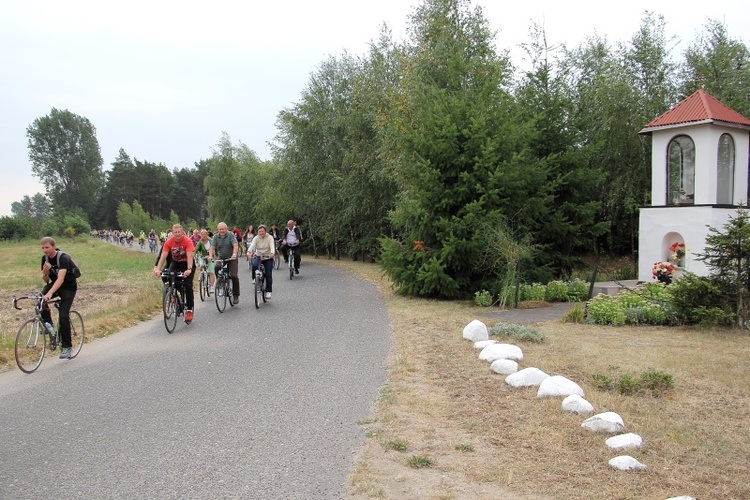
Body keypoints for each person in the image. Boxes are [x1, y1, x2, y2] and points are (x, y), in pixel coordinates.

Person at [39, 237, 78, 359]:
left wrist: (50, 293)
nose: (45, 250)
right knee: (40, 299)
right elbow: (46, 280)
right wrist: (45, 272)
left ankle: (67, 346)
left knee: (63, 316)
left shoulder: (63, 258)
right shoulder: (44, 259)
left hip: (68, 287)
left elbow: (60, 279)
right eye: (42, 248)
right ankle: (48, 325)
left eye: (47, 247)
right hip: (55, 285)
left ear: (54, 246)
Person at [153, 224, 195, 323]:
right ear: (172, 233)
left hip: (187, 263)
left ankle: (189, 309)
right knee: (167, 274)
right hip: (175, 262)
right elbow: (163, 256)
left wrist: (189, 269)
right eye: (175, 232)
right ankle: (173, 292)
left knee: (188, 285)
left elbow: (190, 256)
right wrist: (158, 269)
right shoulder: (169, 242)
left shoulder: (187, 241)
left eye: (179, 232)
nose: (177, 234)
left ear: (182, 232)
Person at [209, 222, 240, 304]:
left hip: (231, 257)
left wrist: (234, 254)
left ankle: (236, 295)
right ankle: (220, 282)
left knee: (234, 276)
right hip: (222, 257)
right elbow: (212, 247)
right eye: (220, 229)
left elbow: (235, 245)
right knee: (216, 267)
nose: (221, 231)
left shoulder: (230, 235)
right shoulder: (216, 236)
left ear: (226, 229)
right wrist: (210, 256)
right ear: (218, 230)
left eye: (223, 229)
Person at [248, 224, 275, 300]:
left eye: (262, 231)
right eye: (259, 232)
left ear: (265, 231)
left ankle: (268, 291)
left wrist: (272, 253)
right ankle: (254, 278)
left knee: (268, 274)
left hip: (268, 256)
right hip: (258, 256)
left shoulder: (270, 237)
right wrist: (249, 252)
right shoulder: (256, 238)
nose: (261, 233)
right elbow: (252, 245)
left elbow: (272, 245)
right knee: (254, 265)